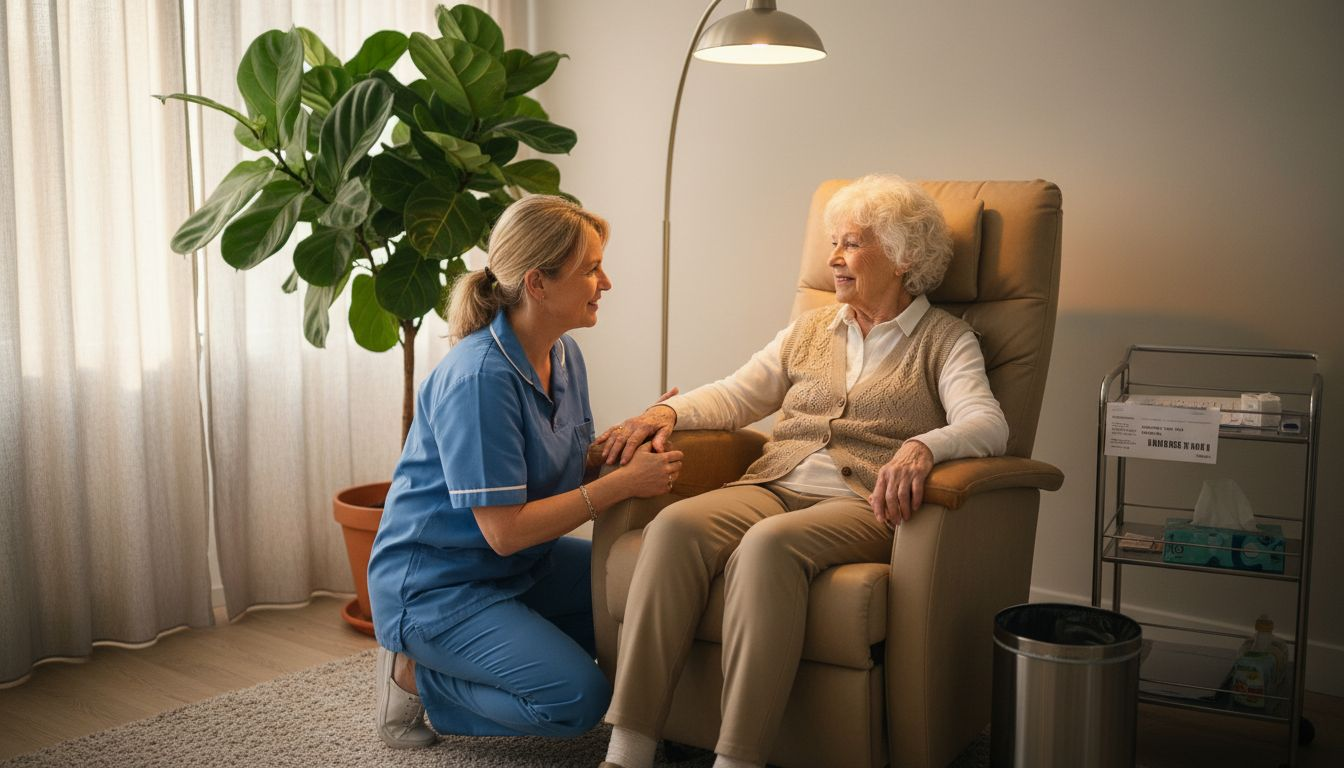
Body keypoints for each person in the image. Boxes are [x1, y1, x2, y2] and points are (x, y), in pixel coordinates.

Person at [593, 175, 1009, 768]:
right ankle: (629, 749)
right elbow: (737, 395)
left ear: (903, 255)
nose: (833, 259)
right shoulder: (814, 329)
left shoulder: (946, 340)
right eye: (833, 243)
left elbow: (987, 424)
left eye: (852, 244)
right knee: (675, 527)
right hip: (775, 484)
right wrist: (665, 411)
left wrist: (924, 446)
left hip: (862, 504)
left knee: (767, 548)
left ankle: (738, 758)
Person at [367, 195, 684, 749]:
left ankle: (508, 647)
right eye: (591, 269)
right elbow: (505, 530)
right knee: (579, 699)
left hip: (517, 566)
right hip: (439, 585)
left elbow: (553, 462)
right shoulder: (480, 378)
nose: (605, 282)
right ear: (537, 284)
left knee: (646, 594)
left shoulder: (563, 355)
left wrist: (623, 445)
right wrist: (620, 486)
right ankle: (415, 675)